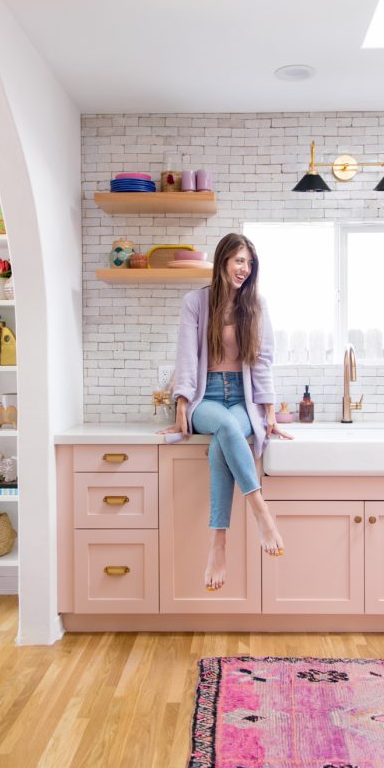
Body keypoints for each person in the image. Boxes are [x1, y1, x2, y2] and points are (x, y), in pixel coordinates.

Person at [159, 232, 292, 591]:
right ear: (222, 261)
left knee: (226, 438)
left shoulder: (256, 305)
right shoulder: (195, 302)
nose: (244, 269)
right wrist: (183, 405)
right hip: (209, 398)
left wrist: (269, 414)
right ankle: (261, 511)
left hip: (242, 399)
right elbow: (186, 355)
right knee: (226, 430)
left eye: (249, 263)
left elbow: (262, 363)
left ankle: (218, 543)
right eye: (238, 261)